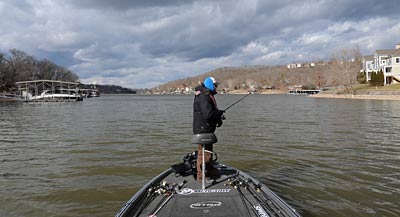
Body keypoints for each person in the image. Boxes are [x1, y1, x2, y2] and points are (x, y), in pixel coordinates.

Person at [193, 76, 224, 182]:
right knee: (204, 153)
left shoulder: (206, 94)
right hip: (203, 129)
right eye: (215, 85)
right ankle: (201, 177)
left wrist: (218, 119)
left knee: (208, 152)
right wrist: (219, 113)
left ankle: (209, 170)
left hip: (206, 128)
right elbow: (208, 114)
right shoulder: (204, 96)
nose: (216, 87)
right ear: (210, 85)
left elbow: (210, 113)